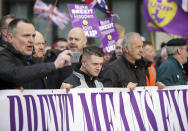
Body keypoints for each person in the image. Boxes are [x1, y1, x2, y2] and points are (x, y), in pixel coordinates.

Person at [0, 18, 72, 89]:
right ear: (10, 37)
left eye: (33, 36)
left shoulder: (34, 61)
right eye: (26, 36)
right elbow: (16, 73)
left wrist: (61, 90)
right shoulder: (3, 57)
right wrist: (54, 65)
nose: (31, 40)